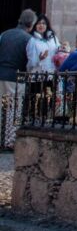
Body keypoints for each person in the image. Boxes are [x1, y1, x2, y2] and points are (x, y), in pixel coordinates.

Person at [0, 9, 36, 150]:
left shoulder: (4, 34)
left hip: (0, 72)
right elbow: (31, 63)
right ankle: (9, 140)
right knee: (13, 109)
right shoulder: (29, 39)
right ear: (31, 24)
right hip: (16, 77)